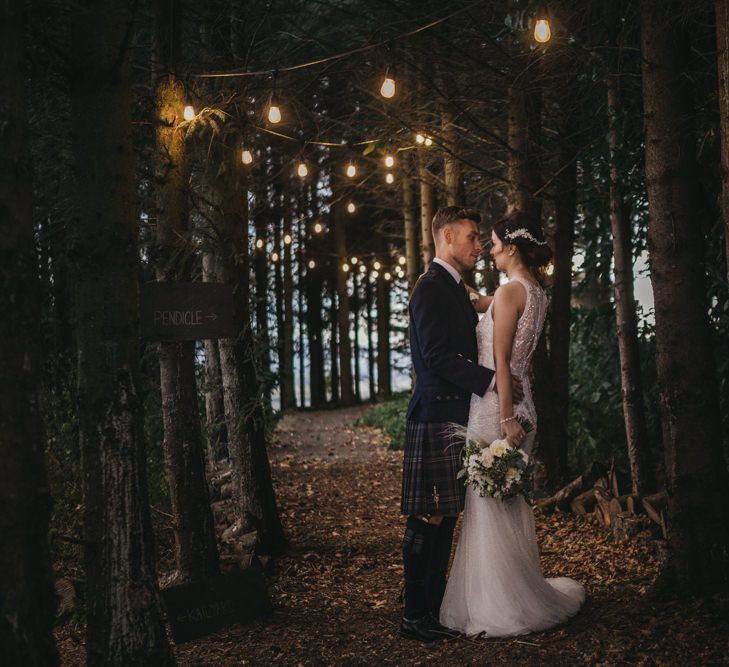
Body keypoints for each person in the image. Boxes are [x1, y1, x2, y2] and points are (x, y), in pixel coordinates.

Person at [439, 211, 585, 637]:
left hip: (497, 410)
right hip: (526, 408)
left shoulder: (509, 294)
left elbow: (501, 362)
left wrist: (504, 419)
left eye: (496, 243)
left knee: (489, 509)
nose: (489, 249)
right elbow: (486, 305)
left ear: (513, 248)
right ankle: (515, 592)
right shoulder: (533, 292)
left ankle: (499, 605)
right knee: (507, 506)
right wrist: (464, 292)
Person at [399, 206, 524, 643]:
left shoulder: (451, 288)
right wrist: (492, 381)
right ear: (447, 236)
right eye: (472, 237)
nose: (478, 246)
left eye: (479, 238)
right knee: (427, 517)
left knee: (445, 516)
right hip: (435, 413)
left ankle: (430, 611)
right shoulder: (431, 288)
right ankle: (414, 615)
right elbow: (434, 357)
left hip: (454, 414)